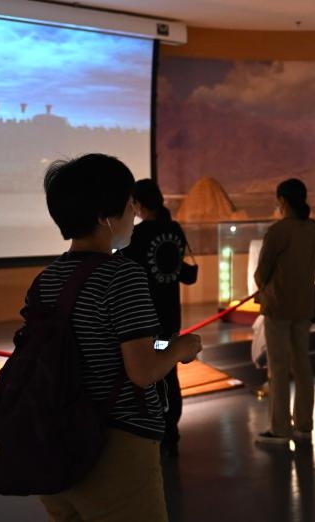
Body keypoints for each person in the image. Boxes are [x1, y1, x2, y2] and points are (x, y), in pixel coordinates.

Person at [36, 154, 201, 521]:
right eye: (128, 203)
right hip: (113, 447)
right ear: (103, 216)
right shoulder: (121, 277)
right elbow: (142, 370)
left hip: (54, 444)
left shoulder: (45, 280)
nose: (133, 212)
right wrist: (179, 348)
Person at [119, 178, 189, 458]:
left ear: (137, 204)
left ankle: (157, 432)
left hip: (146, 320)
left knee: (151, 373)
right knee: (169, 371)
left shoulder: (137, 236)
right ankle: (170, 432)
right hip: (171, 317)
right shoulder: (174, 230)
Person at [253, 178, 315, 444]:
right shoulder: (312, 228)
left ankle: (280, 427)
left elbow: (263, 270)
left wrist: (262, 285)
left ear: (282, 201)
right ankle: (304, 422)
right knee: (303, 364)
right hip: (304, 305)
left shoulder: (278, 231)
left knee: (278, 368)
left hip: (278, 306)